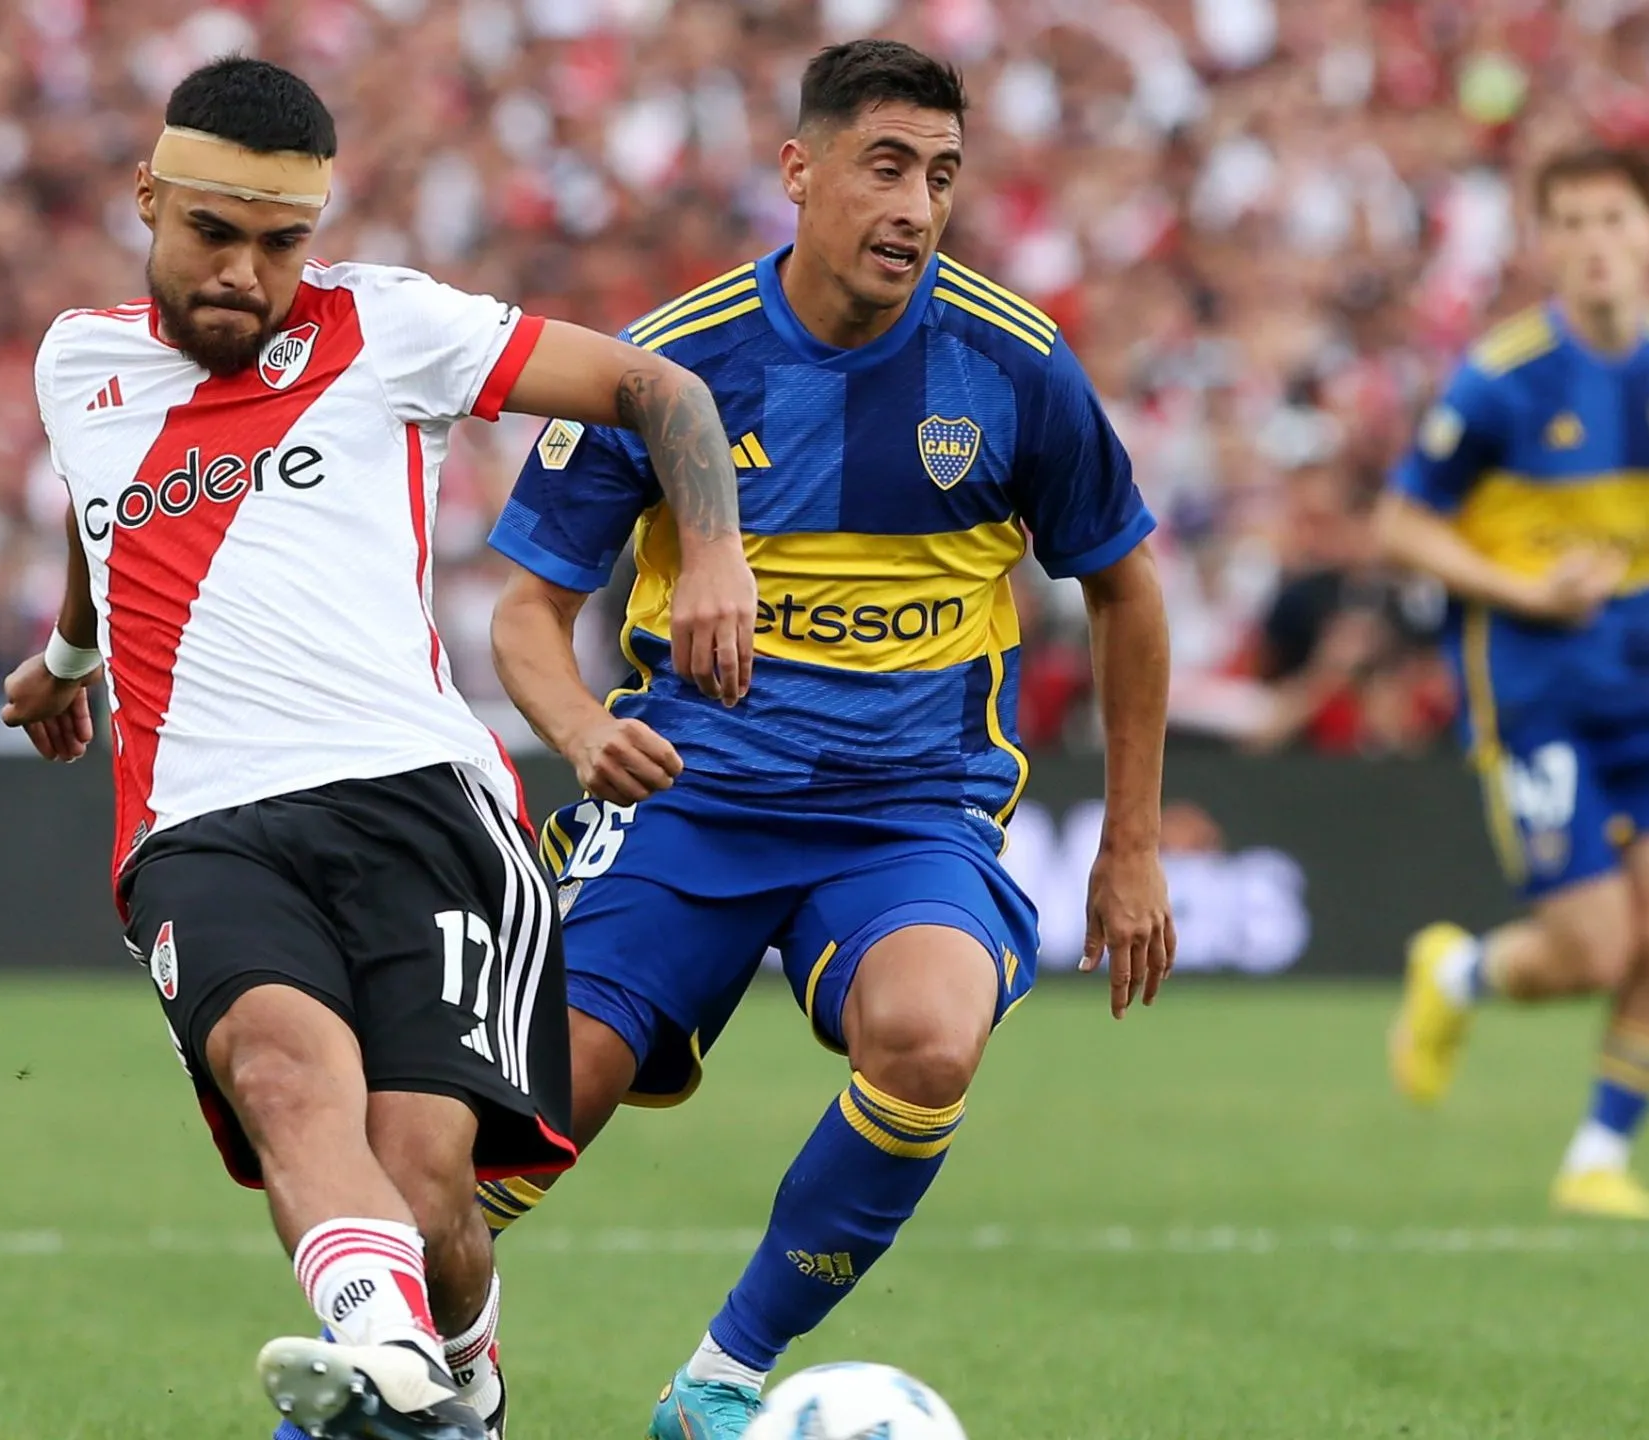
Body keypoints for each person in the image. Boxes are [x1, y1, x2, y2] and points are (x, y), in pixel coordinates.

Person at [0, 57, 756, 1440]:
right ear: (148, 200)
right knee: (285, 1080)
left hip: (421, 807)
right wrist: (69, 657)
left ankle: (450, 1368)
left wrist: (713, 551)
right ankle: (396, 1370)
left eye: (280, 244)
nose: (245, 273)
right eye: (211, 236)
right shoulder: (76, 361)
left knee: (430, 1197)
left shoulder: (391, 326)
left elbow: (664, 390)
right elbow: (93, 503)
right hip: (200, 825)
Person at [479, 41, 1176, 1438]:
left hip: (907, 817)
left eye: (942, 176)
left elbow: (1125, 588)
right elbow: (525, 614)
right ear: (797, 171)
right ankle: (401, 1389)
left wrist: (1134, 842)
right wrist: (573, 730)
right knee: (502, 1141)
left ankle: (724, 1382)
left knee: (929, 1038)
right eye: (887, 167)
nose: (919, 205)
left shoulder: (1015, 364)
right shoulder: (669, 363)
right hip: (689, 805)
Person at [1378, 148, 1649, 1220]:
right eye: (1568, 222)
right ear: (1544, 244)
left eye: (1613, 218)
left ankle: (1596, 1158)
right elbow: (1399, 524)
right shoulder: (1499, 378)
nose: (1593, 241)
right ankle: (1457, 978)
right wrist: (1520, 589)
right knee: (1593, 946)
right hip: (1533, 686)